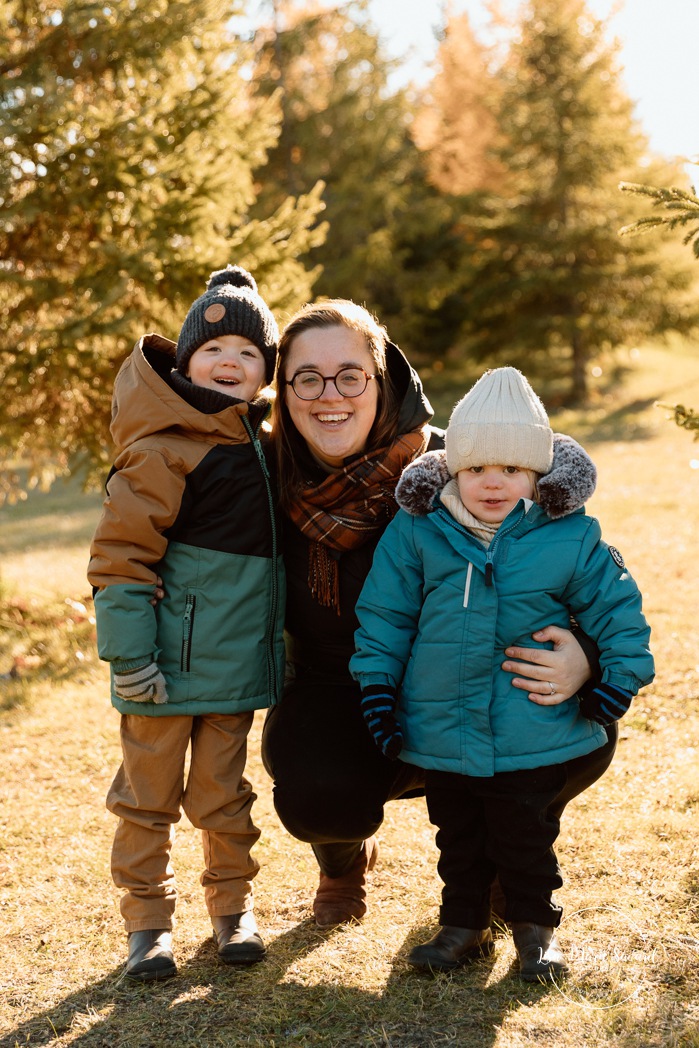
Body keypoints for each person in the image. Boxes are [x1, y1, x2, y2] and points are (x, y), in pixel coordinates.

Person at [261, 300, 609, 932]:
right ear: (283, 391)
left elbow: (584, 565)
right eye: (305, 378)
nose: (328, 395)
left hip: (485, 670)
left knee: (579, 734)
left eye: (350, 375)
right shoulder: (266, 476)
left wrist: (586, 650)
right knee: (319, 795)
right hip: (343, 682)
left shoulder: (463, 465)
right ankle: (342, 861)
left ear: (382, 379)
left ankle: (507, 855)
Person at [350, 367, 654, 980]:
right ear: (451, 469)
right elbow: (384, 614)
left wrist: (617, 676)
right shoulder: (417, 532)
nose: (493, 482)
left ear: (537, 474)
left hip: (529, 725)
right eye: (476, 468)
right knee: (457, 837)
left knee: (525, 836)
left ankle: (536, 935)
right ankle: (461, 926)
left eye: (512, 470)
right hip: (442, 724)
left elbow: (617, 607)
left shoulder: (569, 537)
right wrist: (379, 689)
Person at [88, 265, 285, 981]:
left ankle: (233, 911)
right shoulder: (164, 449)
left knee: (223, 797)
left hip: (231, 669)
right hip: (161, 670)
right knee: (147, 800)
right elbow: (119, 558)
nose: (230, 362)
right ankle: (147, 925)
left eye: (248, 353)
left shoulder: (260, 445)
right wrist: (130, 656)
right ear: (184, 360)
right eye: (213, 350)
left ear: (264, 372)